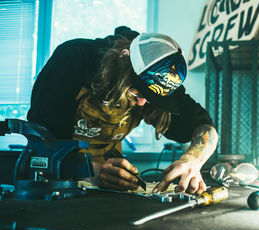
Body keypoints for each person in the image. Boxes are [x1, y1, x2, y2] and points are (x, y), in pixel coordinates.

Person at [27, 26, 218, 194]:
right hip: (52, 178)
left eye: (151, 98)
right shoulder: (72, 59)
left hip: (107, 182)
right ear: (123, 57)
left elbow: (205, 128)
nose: (143, 103)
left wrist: (192, 159)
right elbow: (42, 145)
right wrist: (94, 172)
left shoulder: (161, 77)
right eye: (138, 93)